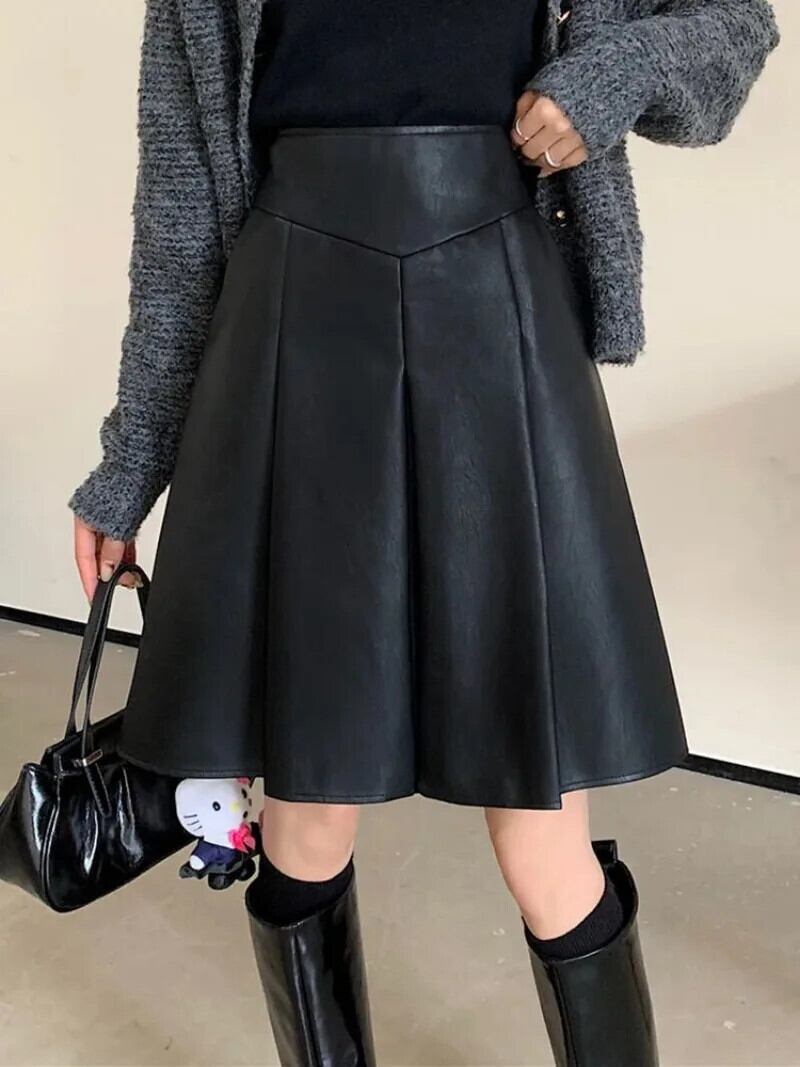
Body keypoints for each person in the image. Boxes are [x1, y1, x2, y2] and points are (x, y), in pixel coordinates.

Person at [68, 2, 779, 1064]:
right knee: (307, 811)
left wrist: (607, 75)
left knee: (539, 818)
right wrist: (129, 467)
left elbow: (734, 27)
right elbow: (180, 221)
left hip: (500, 324)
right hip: (292, 334)